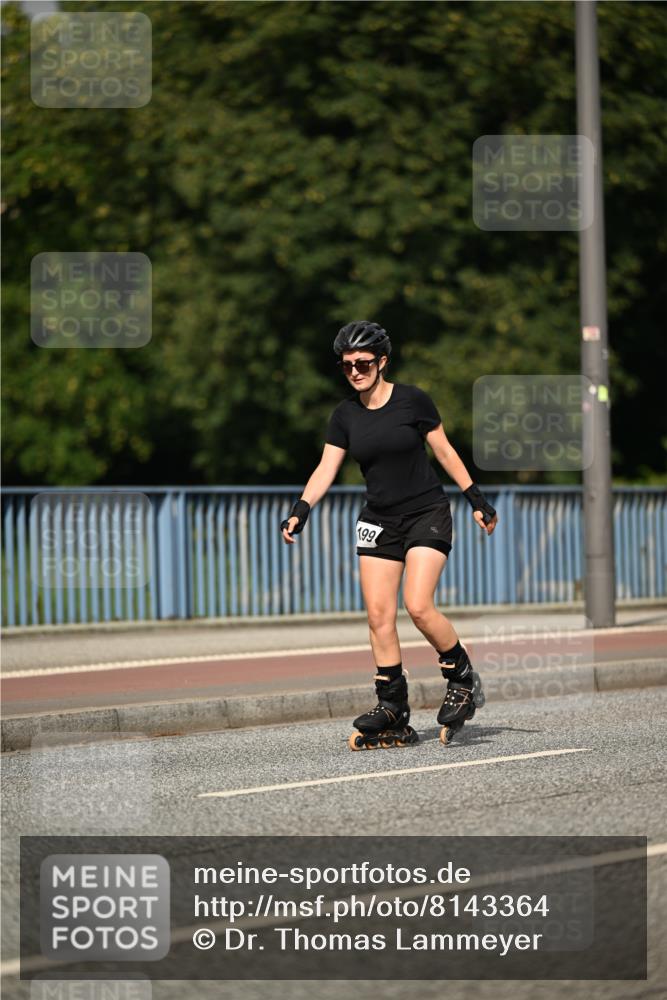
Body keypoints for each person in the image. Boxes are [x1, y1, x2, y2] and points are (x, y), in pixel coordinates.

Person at [280, 321, 498, 748]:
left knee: (417, 605)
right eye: (347, 366)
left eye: (363, 363)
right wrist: (300, 510)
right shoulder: (345, 415)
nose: (355, 372)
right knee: (379, 616)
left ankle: (461, 679)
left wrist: (476, 498)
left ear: (382, 362)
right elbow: (326, 468)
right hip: (378, 519)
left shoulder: (412, 400)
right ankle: (393, 706)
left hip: (426, 511)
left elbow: (445, 450)